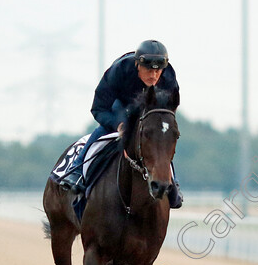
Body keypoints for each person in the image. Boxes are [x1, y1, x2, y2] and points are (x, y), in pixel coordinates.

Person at [60, 39, 183, 208]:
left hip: (150, 112)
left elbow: (169, 111)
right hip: (121, 107)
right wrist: (117, 124)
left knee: (160, 140)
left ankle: (173, 184)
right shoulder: (119, 70)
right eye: (148, 69)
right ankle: (76, 171)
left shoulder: (168, 77)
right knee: (102, 131)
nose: (154, 75)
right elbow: (98, 108)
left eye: (158, 70)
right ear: (137, 64)